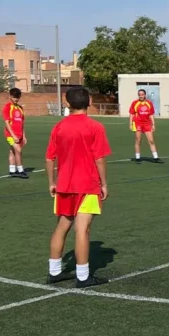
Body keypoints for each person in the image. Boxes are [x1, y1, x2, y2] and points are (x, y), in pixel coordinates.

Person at [45, 87, 111, 288]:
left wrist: (52, 182)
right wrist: (104, 183)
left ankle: (54, 271)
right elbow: (99, 158)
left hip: (64, 184)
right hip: (87, 185)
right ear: (90, 102)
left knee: (62, 226)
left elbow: (49, 157)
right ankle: (83, 276)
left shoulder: (59, 127)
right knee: (83, 229)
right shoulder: (95, 127)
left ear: (67, 103)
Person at [129, 89, 162, 163]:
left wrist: (153, 124)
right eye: (139, 94)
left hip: (147, 124)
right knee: (138, 140)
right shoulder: (135, 103)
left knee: (151, 141)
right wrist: (130, 123)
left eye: (142, 94)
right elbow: (132, 114)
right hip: (138, 123)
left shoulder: (149, 103)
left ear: (145, 95)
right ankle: (138, 158)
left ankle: (156, 158)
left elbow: (151, 114)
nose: (141, 96)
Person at [3, 87, 27, 179]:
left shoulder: (20, 108)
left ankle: (12, 170)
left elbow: (22, 123)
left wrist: (24, 136)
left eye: (18, 97)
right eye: (14, 97)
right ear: (10, 96)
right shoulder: (7, 107)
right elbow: (7, 123)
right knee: (18, 150)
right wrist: (13, 135)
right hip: (10, 135)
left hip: (19, 135)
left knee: (12, 151)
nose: (16, 99)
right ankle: (20, 170)